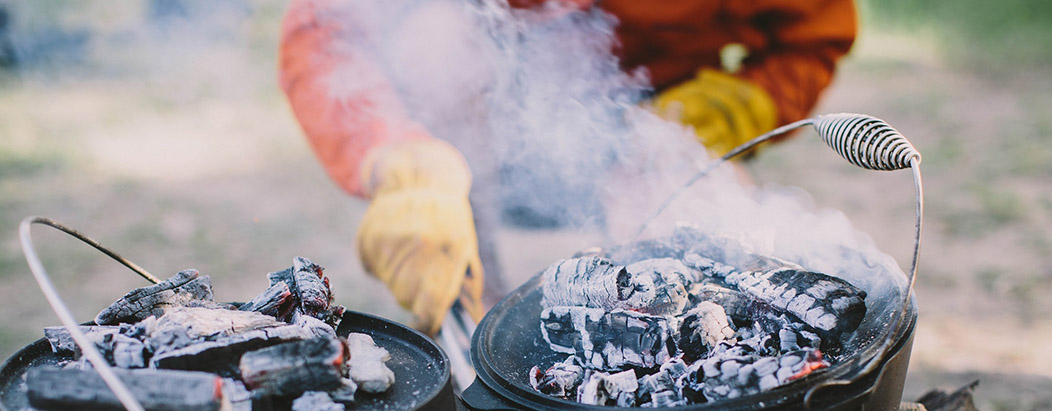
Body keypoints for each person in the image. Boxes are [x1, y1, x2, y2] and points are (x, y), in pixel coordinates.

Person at [279, 0, 857, 334]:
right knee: (442, 41)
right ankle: (479, 340)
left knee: (692, 253)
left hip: (651, 117)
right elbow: (325, 33)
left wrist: (717, 115)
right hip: (467, 123)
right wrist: (399, 159)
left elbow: (813, 36)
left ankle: (678, 360)